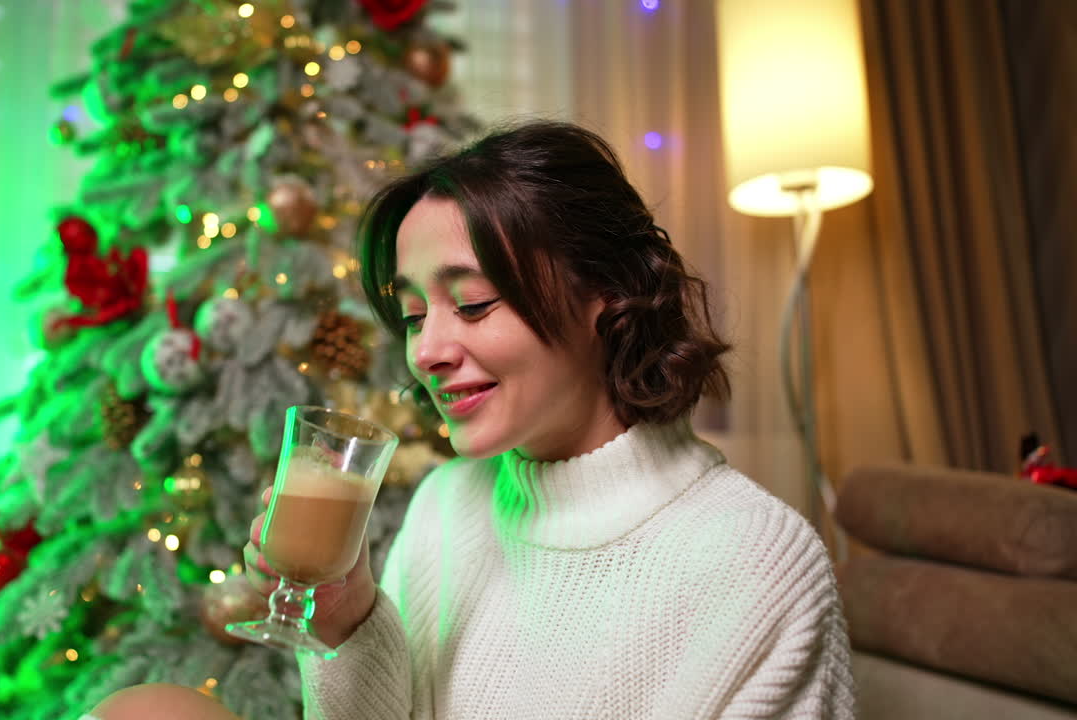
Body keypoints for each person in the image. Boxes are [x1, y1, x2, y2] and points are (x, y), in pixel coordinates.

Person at [86, 120, 855, 719]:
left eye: (475, 303)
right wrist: (347, 621)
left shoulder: (756, 562)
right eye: (414, 315)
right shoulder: (447, 504)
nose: (427, 351)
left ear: (609, 294)